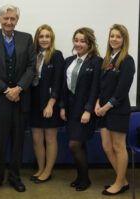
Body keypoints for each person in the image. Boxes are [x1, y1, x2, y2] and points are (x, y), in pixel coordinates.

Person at [0, 4, 36, 192]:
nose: (9, 22)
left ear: (17, 20)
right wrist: (6, 90)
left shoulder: (27, 39)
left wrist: (18, 88)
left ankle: (15, 177)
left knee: (18, 142)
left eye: (12, 19)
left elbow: (31, 68)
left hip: (20, 101)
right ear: (0, 20)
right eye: (6, 18)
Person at [60, 27, 102, 191]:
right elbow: (64, 86)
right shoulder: (69, 60)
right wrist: (62, 106)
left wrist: (88, 110)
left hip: (84, 110)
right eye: (76, 40)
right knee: (80, 145)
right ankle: (80, 177)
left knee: (74, 145)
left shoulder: (96, 61)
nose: (78, 44)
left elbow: (95, 88)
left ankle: (85, 179)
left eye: (82, 41)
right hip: (70, 110)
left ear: (90, 43)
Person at [95, 24, 135, 195]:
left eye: (118, 36)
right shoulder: (107, 59)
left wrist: (106, 107)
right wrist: (98, 103)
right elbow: (101, 86)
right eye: (112, 36)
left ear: (124, 40)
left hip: (117, 110)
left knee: (119, 147)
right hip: (103, 109)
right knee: (106, 146)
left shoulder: (127, 60)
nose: (114, 39)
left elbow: (121, 90)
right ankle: (123, 180)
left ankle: (119, 184)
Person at [29, 24, 64, 183]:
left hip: (50, 103)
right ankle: (40, 169)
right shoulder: (32, 54)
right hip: (34, 102)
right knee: (36, 139)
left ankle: (48, 171)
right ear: (37, 38)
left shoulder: (56, 55)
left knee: (50, 138)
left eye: (47, 36)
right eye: (41, 36)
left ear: (52, 39)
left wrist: (51, 104)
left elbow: (58, 82)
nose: (44, 39)